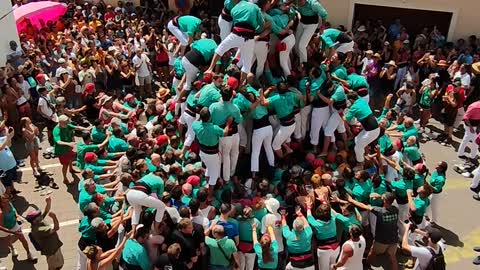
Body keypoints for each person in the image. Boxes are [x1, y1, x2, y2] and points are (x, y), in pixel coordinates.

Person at [348, 192, 399, 270]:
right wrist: (380, 196)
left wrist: (351, 200)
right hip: (394, 239)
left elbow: (363, 206)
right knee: (392, 257)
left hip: (381, 240)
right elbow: (391, 199)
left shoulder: (379, 211)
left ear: (384, 201)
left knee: (373, 252)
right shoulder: (396, 209)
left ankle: (367, 264)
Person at [192, 107, 230, 199]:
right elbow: (224, 133)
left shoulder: (196, 125)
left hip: (202, 153)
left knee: (209, 168)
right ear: (209, 117)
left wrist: (199, 118)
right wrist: (228, 123)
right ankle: (209, 196)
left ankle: (207, 183)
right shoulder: (215, 128)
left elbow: (195, 122)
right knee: (214, 174)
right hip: (212, 155)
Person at [210, 81, 243, 183]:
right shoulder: (235, 108)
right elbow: (239, 120)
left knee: (225, 155)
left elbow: (210, 119)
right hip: (234, 134)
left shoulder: (214, 106)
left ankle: (226, 178)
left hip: (223, 135)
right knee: (233, 154)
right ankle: (230, 175)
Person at [26, 196, 64, 270]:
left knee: (59, 265)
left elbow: (46, 211)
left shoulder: (38, 221)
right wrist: (54, 217)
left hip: (54, 247)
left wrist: (48, 203)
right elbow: (56, 228)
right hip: (51, 251)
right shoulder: (38, 229)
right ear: (34, 220)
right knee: (54, 267)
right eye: (38, 216)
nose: (40, 216)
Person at [53, 115, 91, 184]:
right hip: (61, 150)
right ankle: (65, 179)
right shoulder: (56, 130)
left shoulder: (67, 125)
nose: (67, 124)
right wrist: (69, 144)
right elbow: (58, 142)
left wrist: (86, 129)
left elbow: (77, 127)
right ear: (60, 122)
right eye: (65, 123)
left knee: (70, 158)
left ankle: (71, 169)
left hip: (68, 147)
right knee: (65, 165)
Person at [344, 92, 380, 166]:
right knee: (357, 139)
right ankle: (364, 155)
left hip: (371, 132)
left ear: (351, 100)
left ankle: (360, 164)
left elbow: (346, 119)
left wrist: (340, 113)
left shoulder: (354, 107)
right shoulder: (361, 100)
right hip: (372, 129)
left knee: (358, 147)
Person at [0, 194, 37, 262]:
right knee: (8, 242)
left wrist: (18, 216)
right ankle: (12, 248)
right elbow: (1, 226)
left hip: (14, 224)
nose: (6, 203)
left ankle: (29, 253)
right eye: (3, 202)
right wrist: (12, 233)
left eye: (7, 201)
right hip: (5, 229)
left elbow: (15, 211)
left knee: (23, 239)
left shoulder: (10, 204)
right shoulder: (1, 212)